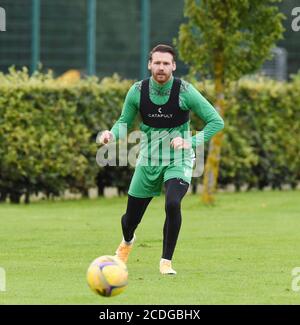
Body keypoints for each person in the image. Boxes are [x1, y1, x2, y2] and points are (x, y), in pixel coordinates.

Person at [99, 44, 224, 275]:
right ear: (149, 65)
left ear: (174, 66)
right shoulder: (137, 91)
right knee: (129, 219)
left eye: (166, 63)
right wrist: (110, 134)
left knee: (173, 203)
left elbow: (216, 121)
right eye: (157, 62)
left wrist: (192, 141)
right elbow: (123, 122)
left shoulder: (185, 91)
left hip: (179, 159)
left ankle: (166, 261)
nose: (161, 67)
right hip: (148, 160)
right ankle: (127, 241)